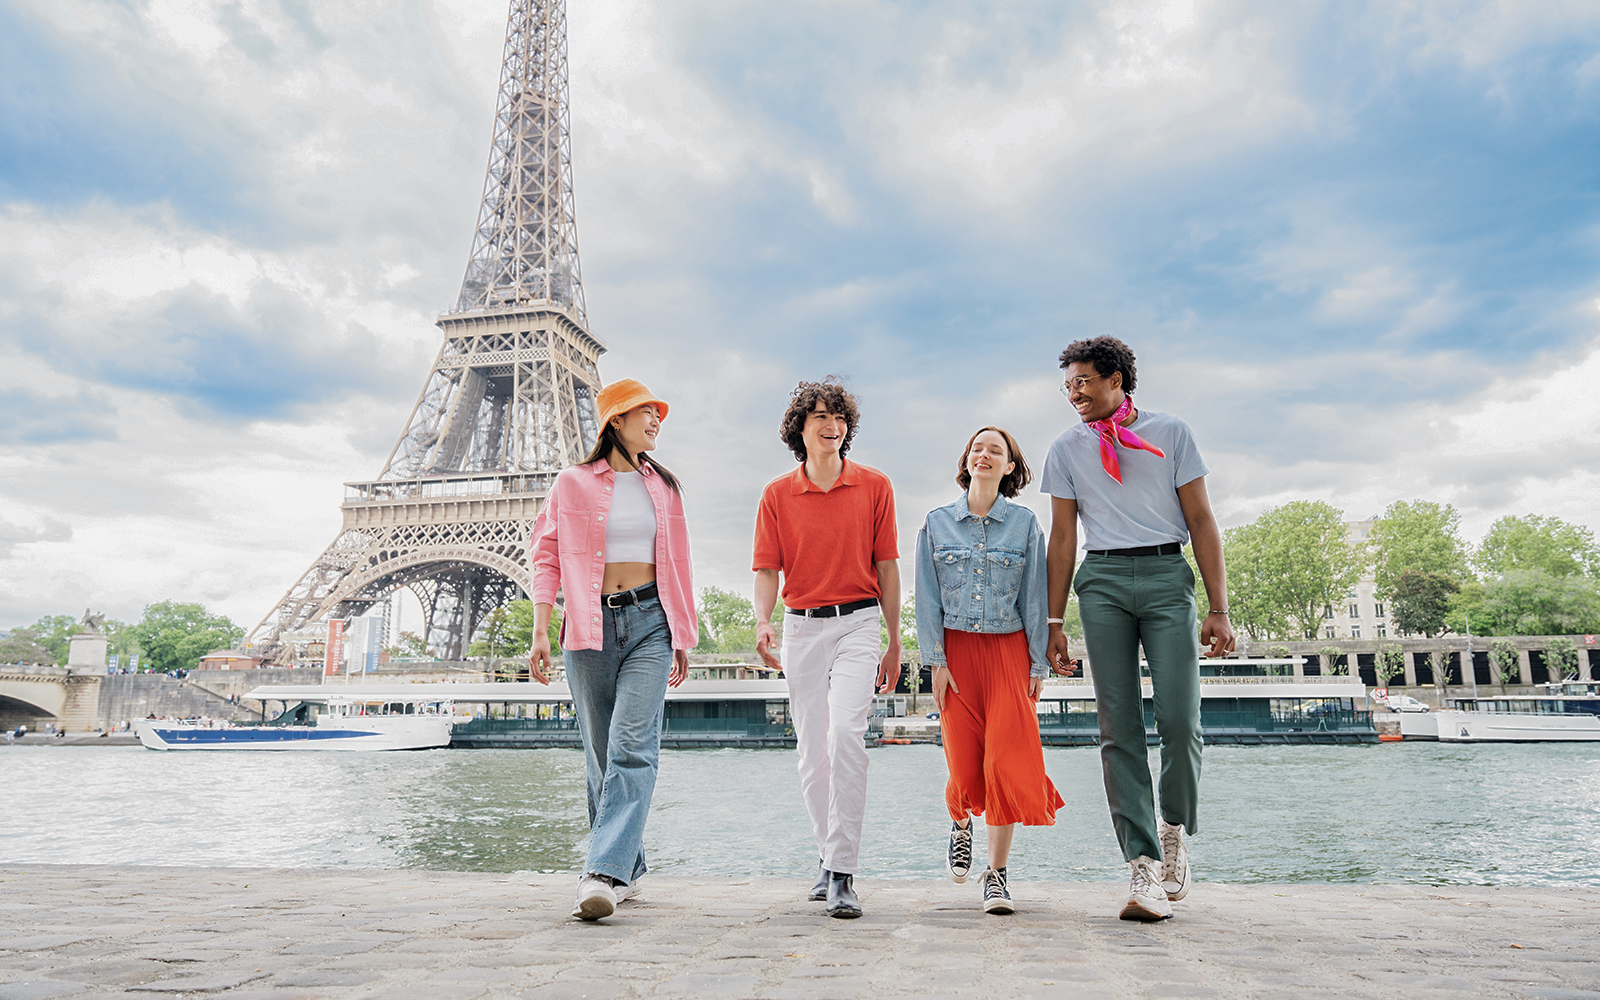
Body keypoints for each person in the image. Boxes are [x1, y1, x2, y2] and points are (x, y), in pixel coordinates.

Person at [1041, 336, 1234, 922]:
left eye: (1083, 381)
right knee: (1116, 727)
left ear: (1117, 379)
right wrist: (1054, 621)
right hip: (1100, 582)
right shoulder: (1066, 448)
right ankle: (1142, 865)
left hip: (1165, 575)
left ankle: (1173, 827)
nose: (1074, 392)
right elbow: (1064, 538)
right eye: (1068, 384)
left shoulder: (1171, 432)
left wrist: (1219, 607)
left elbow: (1200, 518)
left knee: (1180, 719)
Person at [528, 378, 698, 922]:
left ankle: (601, 872)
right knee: (601, 757)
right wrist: (539, 629)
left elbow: (679, 565)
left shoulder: (665, 487)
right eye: (643, 412)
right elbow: (546, 557)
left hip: (651, 621)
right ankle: (628, 866)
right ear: (614, 422)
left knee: (632, 747)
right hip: (588, 623)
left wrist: (681, 633)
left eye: (657, 414)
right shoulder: (571, 483)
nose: (654, 421)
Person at [753, 378, 901, 920]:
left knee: (846, 735)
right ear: (800, 428)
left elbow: (887, 567)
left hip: (859, 623)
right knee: (812, 753)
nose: (830, 424)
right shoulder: (776, 494)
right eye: (818, 415)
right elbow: (768, 569)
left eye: (838, 416)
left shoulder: (875, 486)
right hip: (800, 628)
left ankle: (842, 872)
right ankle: (826, 855)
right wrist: (763, 621)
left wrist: (894, 639)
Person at [916, 426, 1064, 915]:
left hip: (1008, 651)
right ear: (966, 461)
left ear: (1009, 468)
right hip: (956, 654)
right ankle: (960, 822)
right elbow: (928, 598)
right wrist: (935, 660)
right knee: (964, 764)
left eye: (995, 451)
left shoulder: (1024, 525)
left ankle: (997, 876)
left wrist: (1037, 661)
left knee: (1004, 764)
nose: (984, 455)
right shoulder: (936, 523)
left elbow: (1036, 597)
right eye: (977, 448)